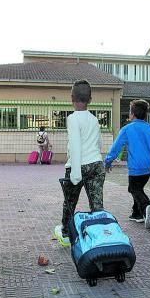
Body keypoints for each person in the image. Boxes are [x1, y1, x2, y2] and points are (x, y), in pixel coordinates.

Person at [54, 80, 105, 246]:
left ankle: (66, 233)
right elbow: (98, 144)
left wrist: (75, 175)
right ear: (90, 99)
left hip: (79, 165)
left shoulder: (73, 118)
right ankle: (100, 236)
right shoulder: (94, 119)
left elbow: (75, 146)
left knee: (70, 202)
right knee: (97, 205)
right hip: (96, 164)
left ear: (71, 98)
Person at [104, 99, 150, 229]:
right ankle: (137, 214)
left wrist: (108, 161)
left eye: (129, 112)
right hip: (147, 168)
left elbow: (116, 147)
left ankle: (147, 206)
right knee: (138, 189)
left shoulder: (127, 129)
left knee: (134, 189)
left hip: (135, 167)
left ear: (132, 114)